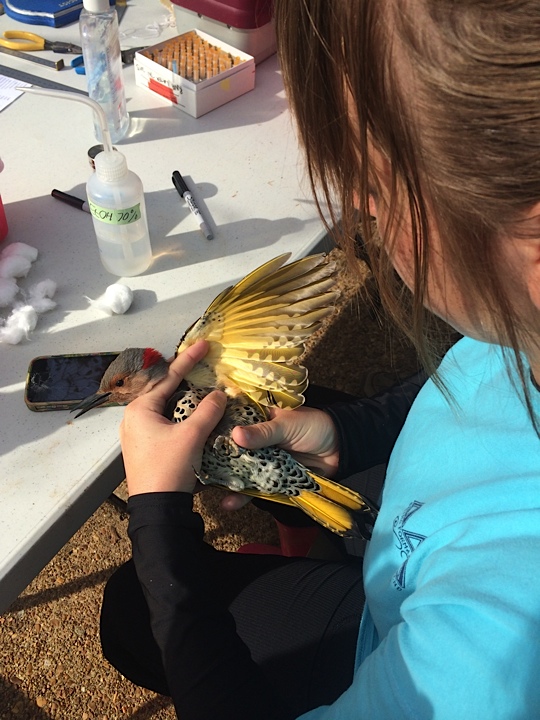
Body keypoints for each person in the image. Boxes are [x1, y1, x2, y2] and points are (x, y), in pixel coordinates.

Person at [99, 1, 540, 718]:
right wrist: (349, 434)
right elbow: (479, 383)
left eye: (375, 184)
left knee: (132, 608)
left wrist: (157, 518)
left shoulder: (483, 669)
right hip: (398, 549)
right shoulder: (516, 329)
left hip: (390, 632)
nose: (357, 209)